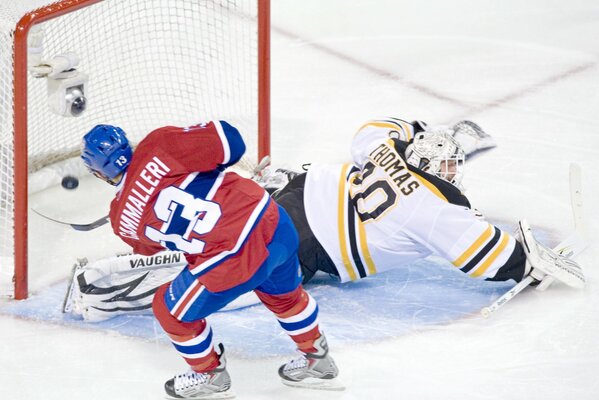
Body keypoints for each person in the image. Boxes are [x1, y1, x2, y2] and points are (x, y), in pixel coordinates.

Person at [69, 117, 584, 322]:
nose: (457, 173)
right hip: (308, 247)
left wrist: (413, 131)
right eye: (450, 164)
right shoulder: (436, 212)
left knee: (229, 224)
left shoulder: (386, 150)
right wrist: (530, 265)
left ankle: (129, 260)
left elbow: (376, 128)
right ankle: (108, 293)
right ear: (432, 167)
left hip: (297, 189)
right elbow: (490, 257)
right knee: (234, 277)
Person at [80, 121, 342, 399]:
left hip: (235, 254)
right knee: (284, 298)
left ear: (99, 174)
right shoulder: (159, 144)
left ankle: (210, 376)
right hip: (272, 219)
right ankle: (317, 359)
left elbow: (148, 249)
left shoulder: (121, 220)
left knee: (169, 312)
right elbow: (232, 142)